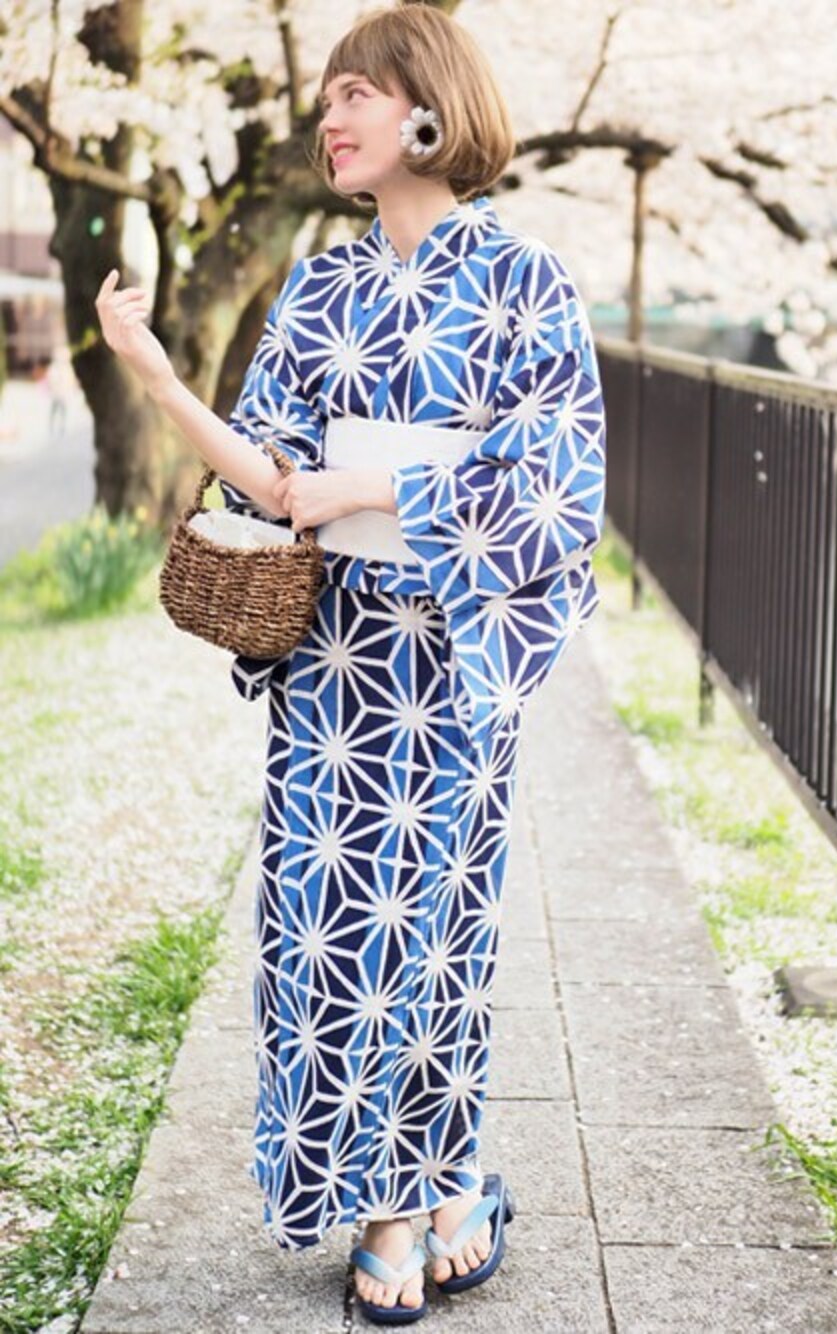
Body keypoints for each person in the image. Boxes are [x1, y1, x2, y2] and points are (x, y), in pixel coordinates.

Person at [95, 2, 605, 1323]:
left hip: (453, 666)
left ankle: (412, 1200)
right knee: (324, 939)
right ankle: (441, 1191)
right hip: (334, 665)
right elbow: (274, 479)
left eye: (354, 94)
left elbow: (562, 491)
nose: (329, 118)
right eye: (325, 97)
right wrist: (158, 378)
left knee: (427, 936)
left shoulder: (527, 282)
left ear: (428, 107)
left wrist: (381, 484)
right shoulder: (320, 289)